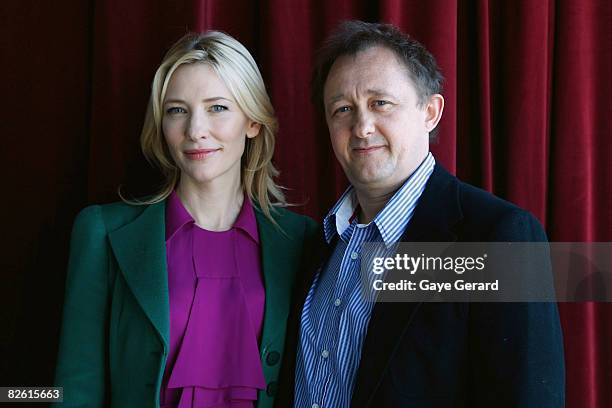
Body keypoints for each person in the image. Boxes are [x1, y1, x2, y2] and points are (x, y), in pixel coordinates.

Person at [277, 21, 565, 407]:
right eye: (343, 109)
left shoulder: (494, 234)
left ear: (430, 111)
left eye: (381, 103)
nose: (362, 127)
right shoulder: (316, 245)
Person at [54, 31, 317, 408]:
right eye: (178, 110)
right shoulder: (102, 232)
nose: (195, 131)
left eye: (218, 108)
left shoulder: (301, 241)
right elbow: (74, 390)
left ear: (253, 122)